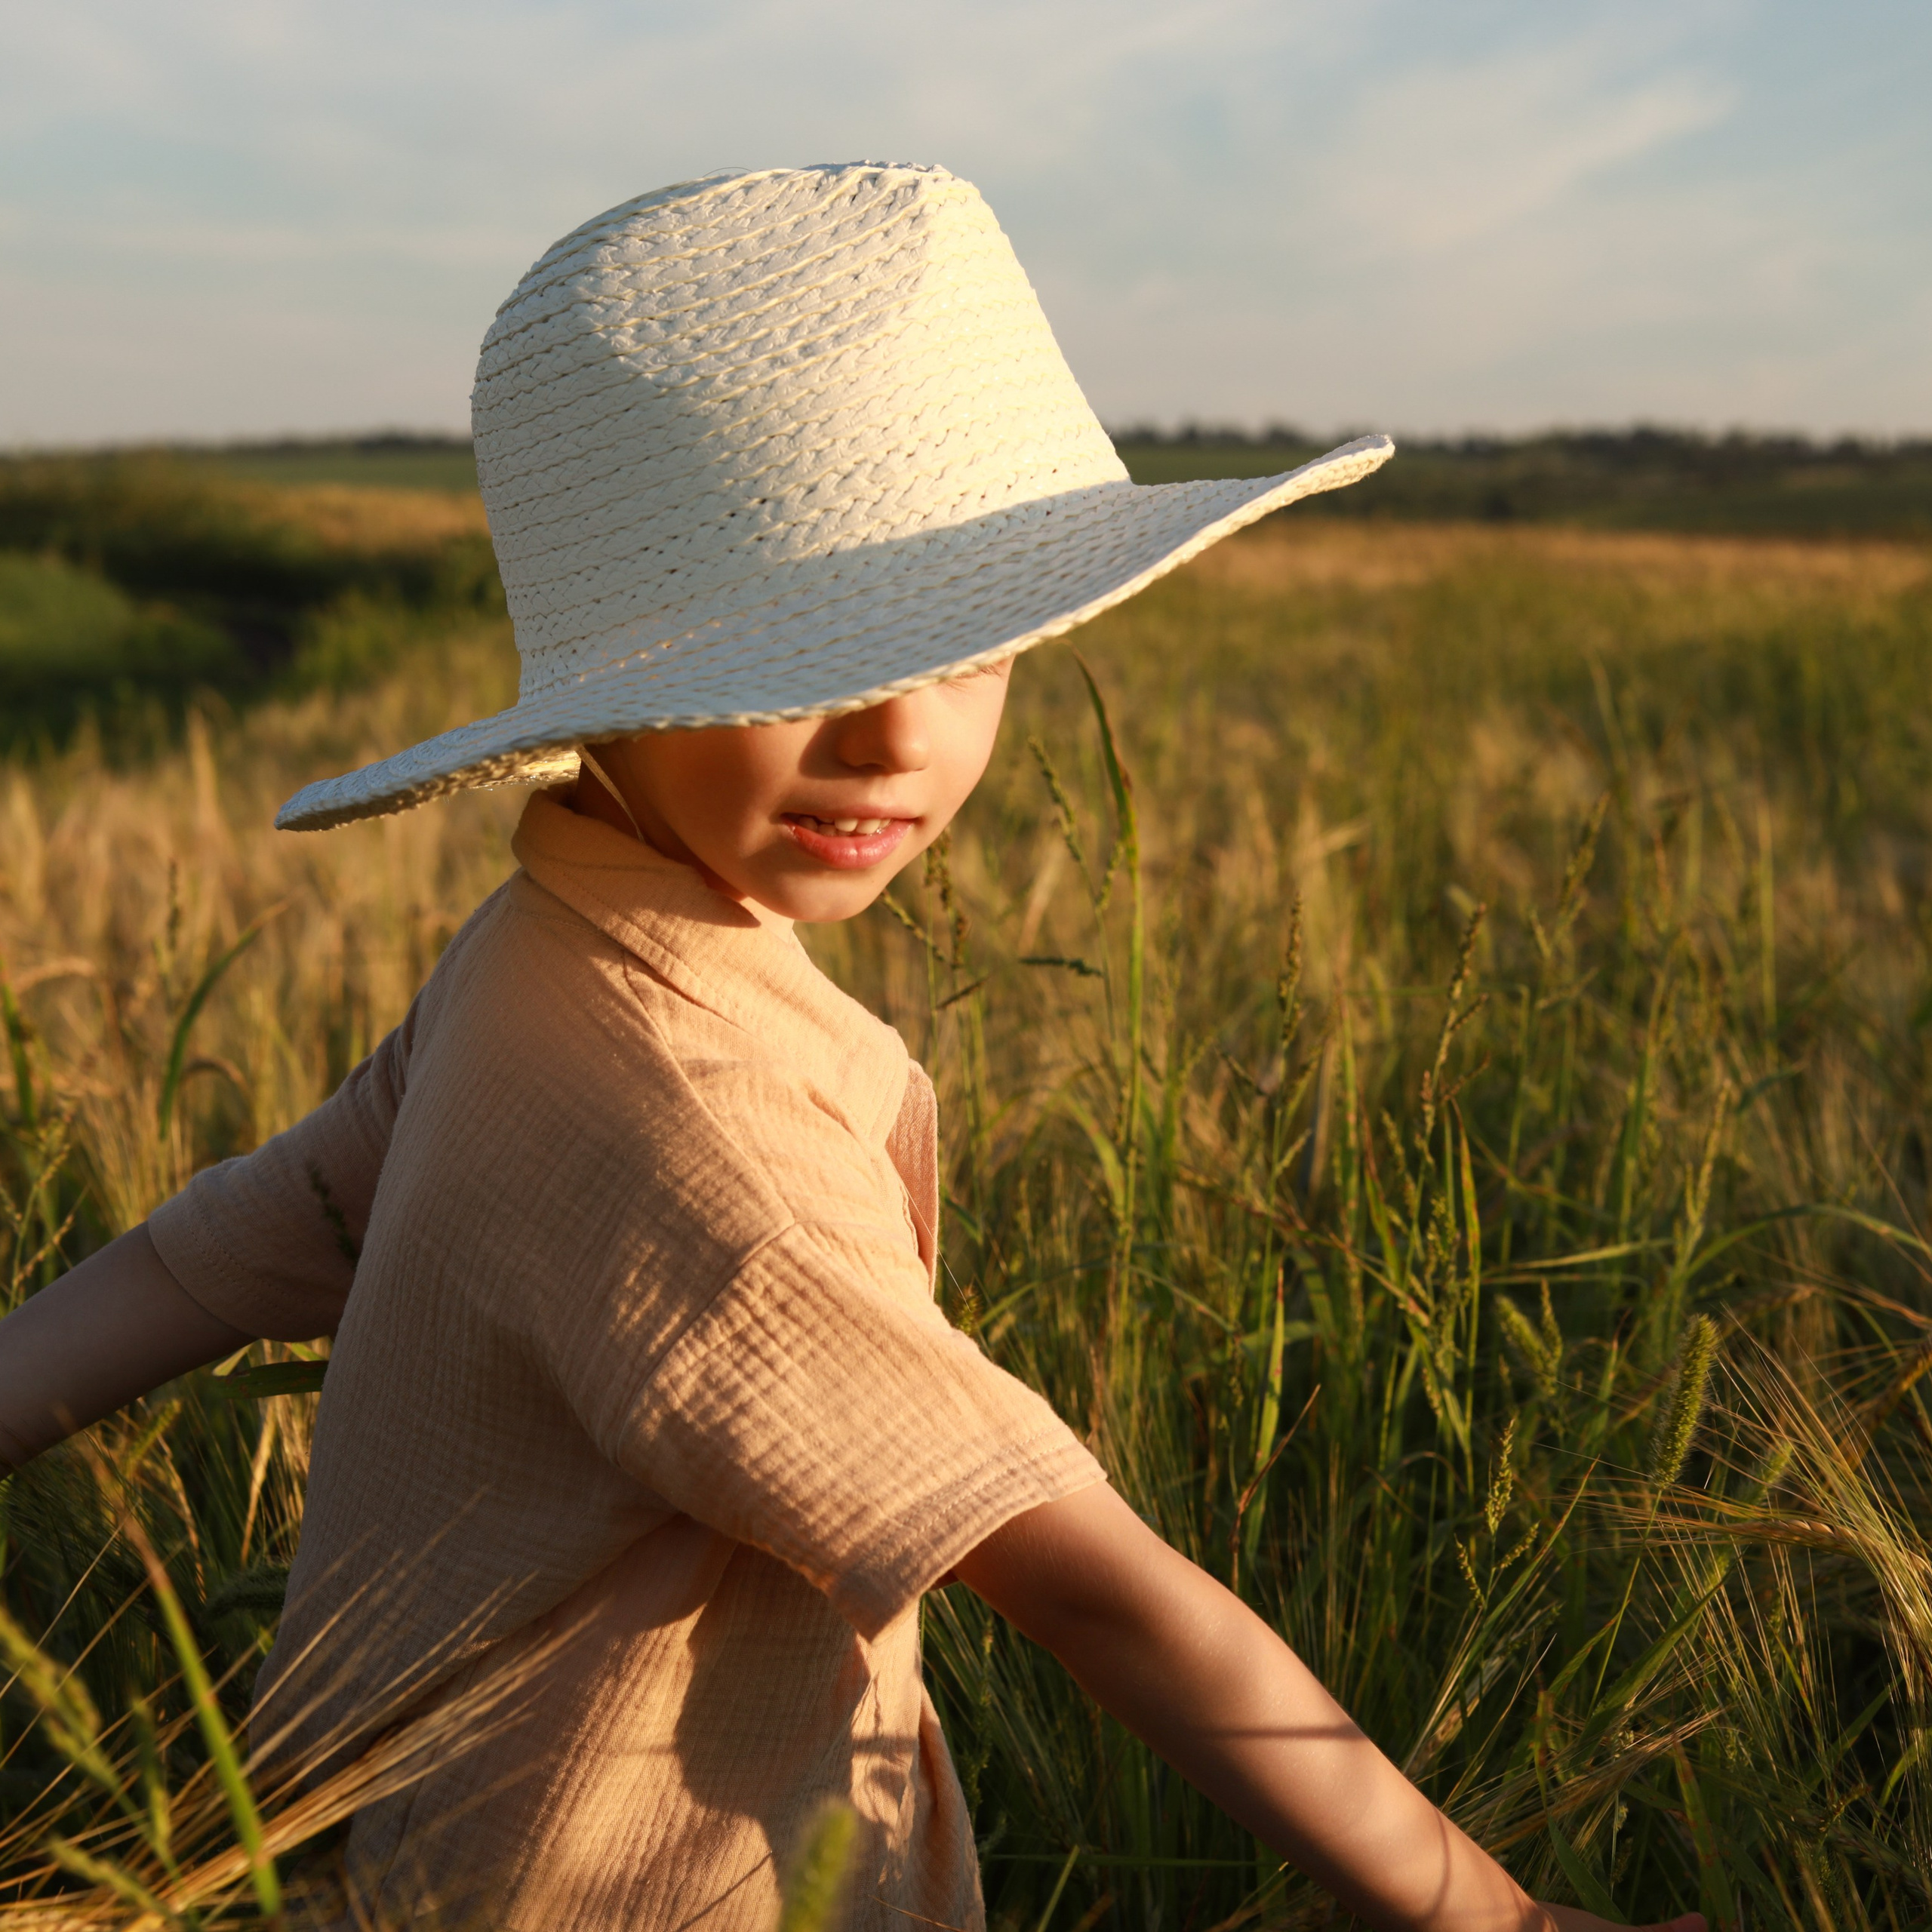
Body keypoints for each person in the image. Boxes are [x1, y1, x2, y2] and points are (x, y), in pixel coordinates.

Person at [0, 165, 1701, 1932]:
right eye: (792, 664)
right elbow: (1091, 1585)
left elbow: (218, 1249)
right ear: (618, 687)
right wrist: (1487, 1913)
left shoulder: (544, 953)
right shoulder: (693, 1118)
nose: (894, 738)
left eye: (976, 650)